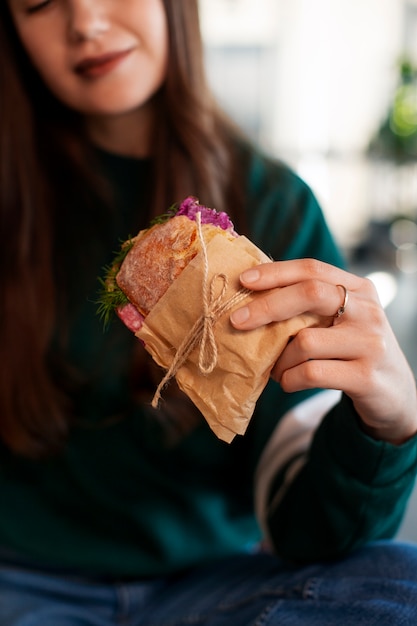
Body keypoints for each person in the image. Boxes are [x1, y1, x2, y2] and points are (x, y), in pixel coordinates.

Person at [1, 1, 417, 624]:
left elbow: (311, 536)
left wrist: (386, 427)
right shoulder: (13, 201)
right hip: (22, 578)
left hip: (210, 587)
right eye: (38, 1)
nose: (84, 22)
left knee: (396, 586)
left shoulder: (275, 204)